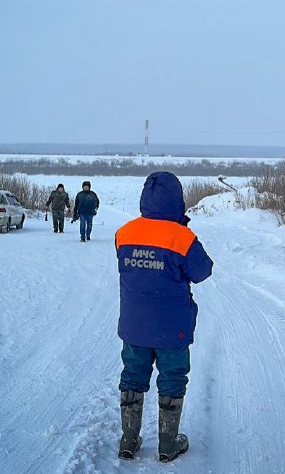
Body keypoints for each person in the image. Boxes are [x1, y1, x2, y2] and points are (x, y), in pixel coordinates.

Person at [114, 171, 213, 463]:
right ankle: (168, 444)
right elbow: (202, 271)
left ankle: (129, 440)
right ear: (177, 200)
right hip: (172, 328)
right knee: (172, 379)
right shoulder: (181, 237)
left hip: (134, 325)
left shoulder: (124, 233)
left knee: (132, 376)